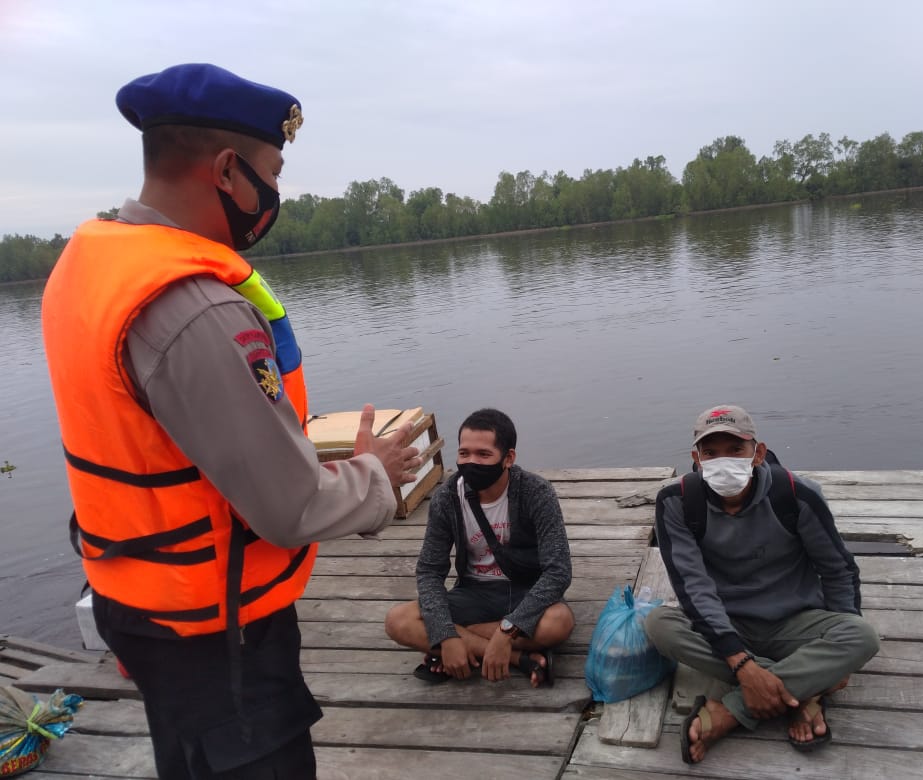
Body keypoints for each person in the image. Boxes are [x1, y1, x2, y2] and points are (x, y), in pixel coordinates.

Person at [40, 63, 422, 779]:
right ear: (226, 170)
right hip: (216, 634)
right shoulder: (195, 306)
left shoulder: (89, 264)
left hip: (138, 600)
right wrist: (378, 475)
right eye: (271, 171)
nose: (275, 194)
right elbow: (290, 505)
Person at [645, 404, 879, 764]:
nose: (723, 460)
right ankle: (804, 688)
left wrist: (841, 653)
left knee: (861, 636)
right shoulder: (676, 501)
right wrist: (743, 664)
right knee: (659, 625)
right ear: (697, 458)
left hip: (795, 620)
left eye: (736, 449)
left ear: (758, 453)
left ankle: (731, 711)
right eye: (711, 452)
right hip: (725, 623)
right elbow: (693, 586)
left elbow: (838, 571)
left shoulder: (797, 494)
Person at [384, 408, 574, 687]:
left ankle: (468, 645)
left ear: (508, 458)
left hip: (526, 590)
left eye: (483, 455)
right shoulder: (447, 498)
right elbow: (429, 571)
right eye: (464, 454)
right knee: (398, 621)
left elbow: (558, 572)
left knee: (558, 622)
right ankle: (519, 658)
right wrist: (447, 636)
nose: (471, 462)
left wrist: (506, 630)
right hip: (474, 593)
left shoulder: (536, 492)